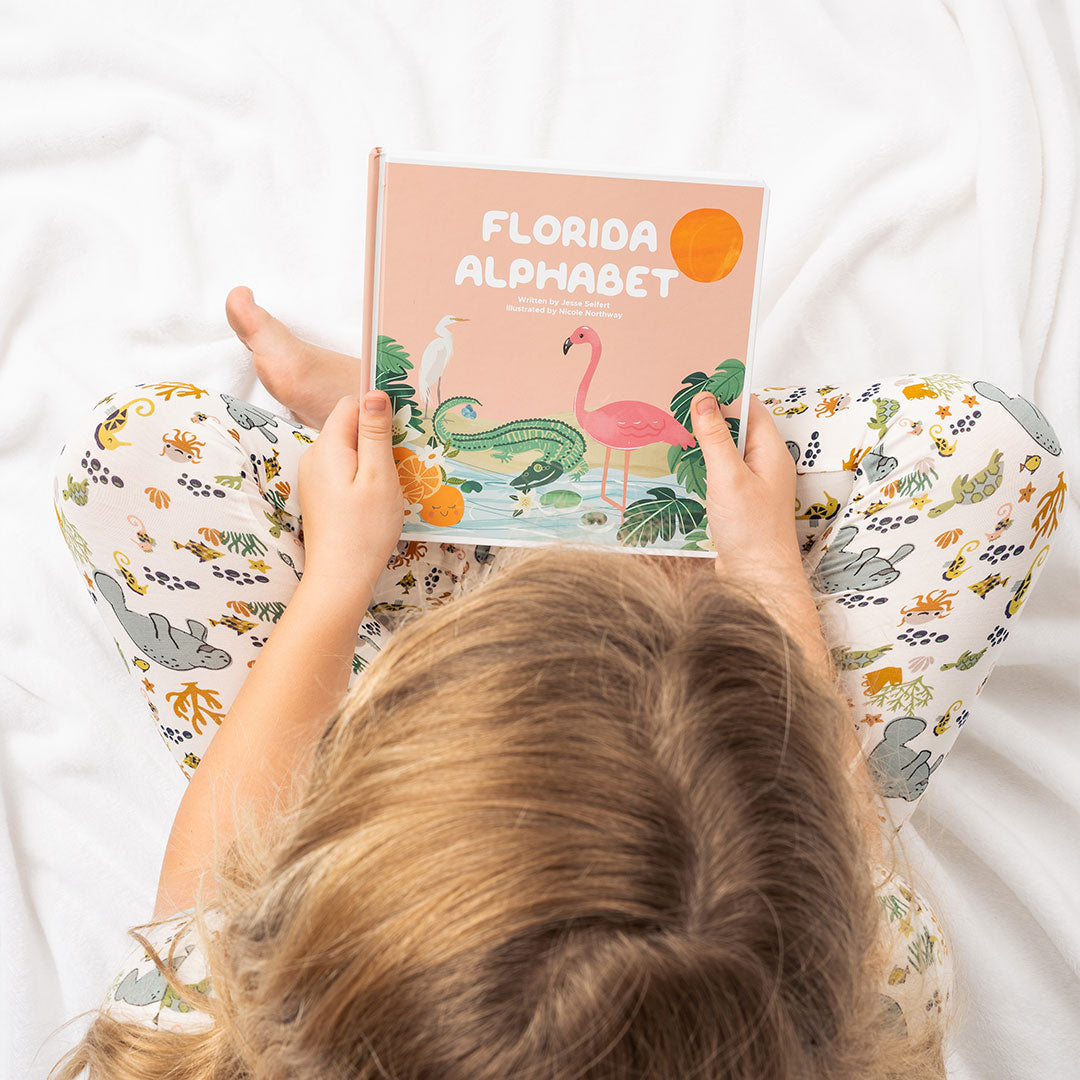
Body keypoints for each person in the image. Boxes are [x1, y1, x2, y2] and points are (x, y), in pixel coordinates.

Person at [46, 287, 1067, 1079]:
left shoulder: (206, 1033)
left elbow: (199, 894)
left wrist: (334, 583)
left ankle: (447, 472)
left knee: (127, 460)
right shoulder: (854, 990)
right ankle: (498, 480)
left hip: (401, 667)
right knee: (996, 458)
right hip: (714, 694)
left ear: (337, 866)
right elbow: (840, 836)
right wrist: (760, 576)